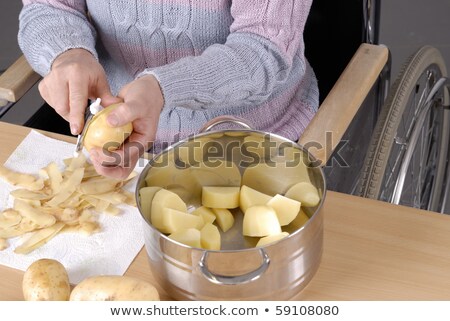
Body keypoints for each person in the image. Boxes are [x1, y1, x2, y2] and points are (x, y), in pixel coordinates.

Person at [18, 0, 319, 179]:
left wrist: (163, 88)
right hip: (115, 148)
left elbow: (264, 51)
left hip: (251, 148)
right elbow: (48, 7)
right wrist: (67, 52)